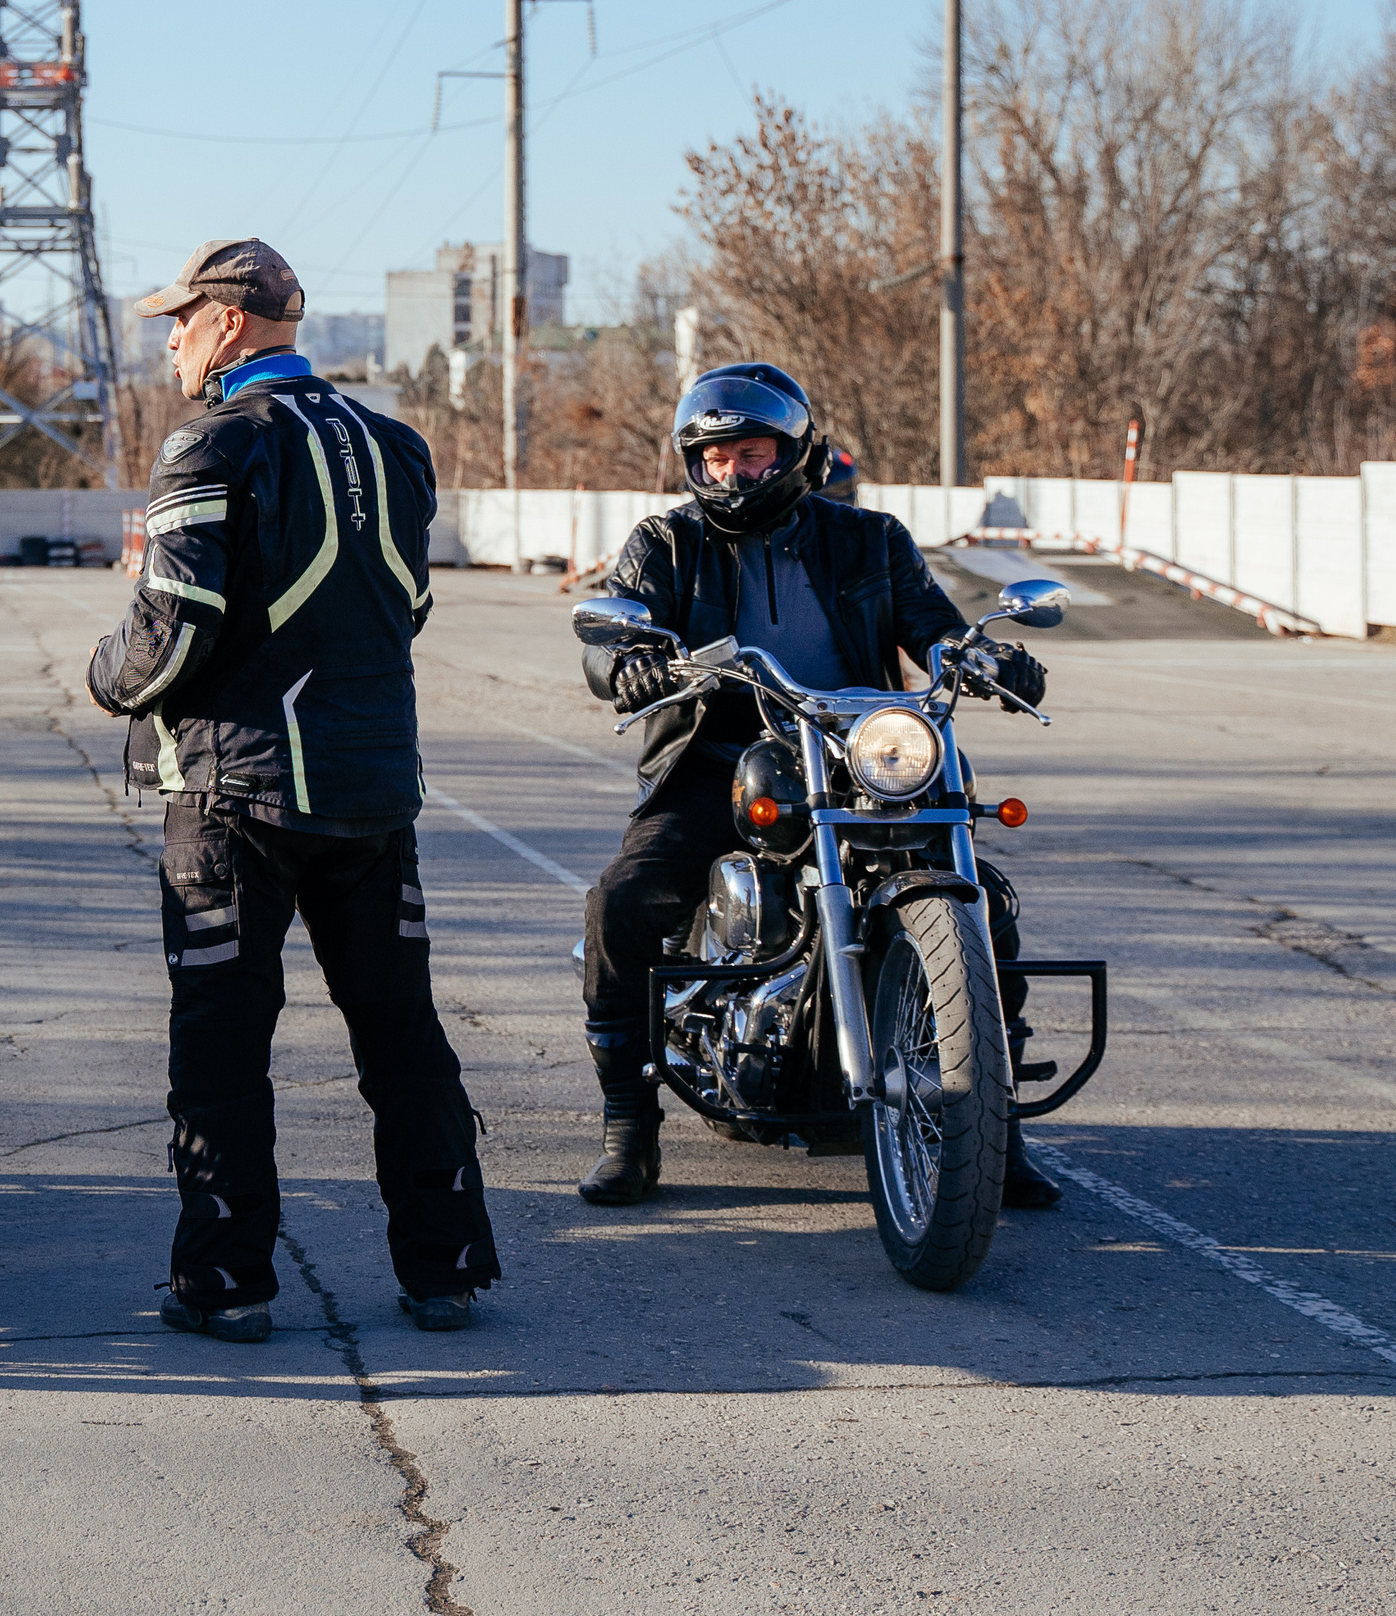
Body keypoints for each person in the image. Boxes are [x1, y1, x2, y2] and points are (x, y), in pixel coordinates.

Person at [88, 238, 501, 1342]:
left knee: (221, 1050)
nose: (168, 340)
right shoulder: (394, 442)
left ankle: (227, 1287)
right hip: (375, 791)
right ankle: (447, 1269)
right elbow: (405, 609)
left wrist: (104, 679)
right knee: (401, 1039)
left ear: (227, 323)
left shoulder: (213, 443)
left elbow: (170, 636)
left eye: (178, 321)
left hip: (238, 798)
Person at [575, 361, 1063, 1211]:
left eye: (752, 451)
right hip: (719, 755)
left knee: (986, 899)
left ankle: (995, 1119)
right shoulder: (666, 542)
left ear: (798, 453)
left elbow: (934, 626)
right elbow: (613, 627)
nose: (732, 470)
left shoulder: (869, 540)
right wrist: (629, 661)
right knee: (622, 898)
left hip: (858, 754)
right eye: (716, 455)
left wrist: (980, 654)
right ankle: (628, 1122)